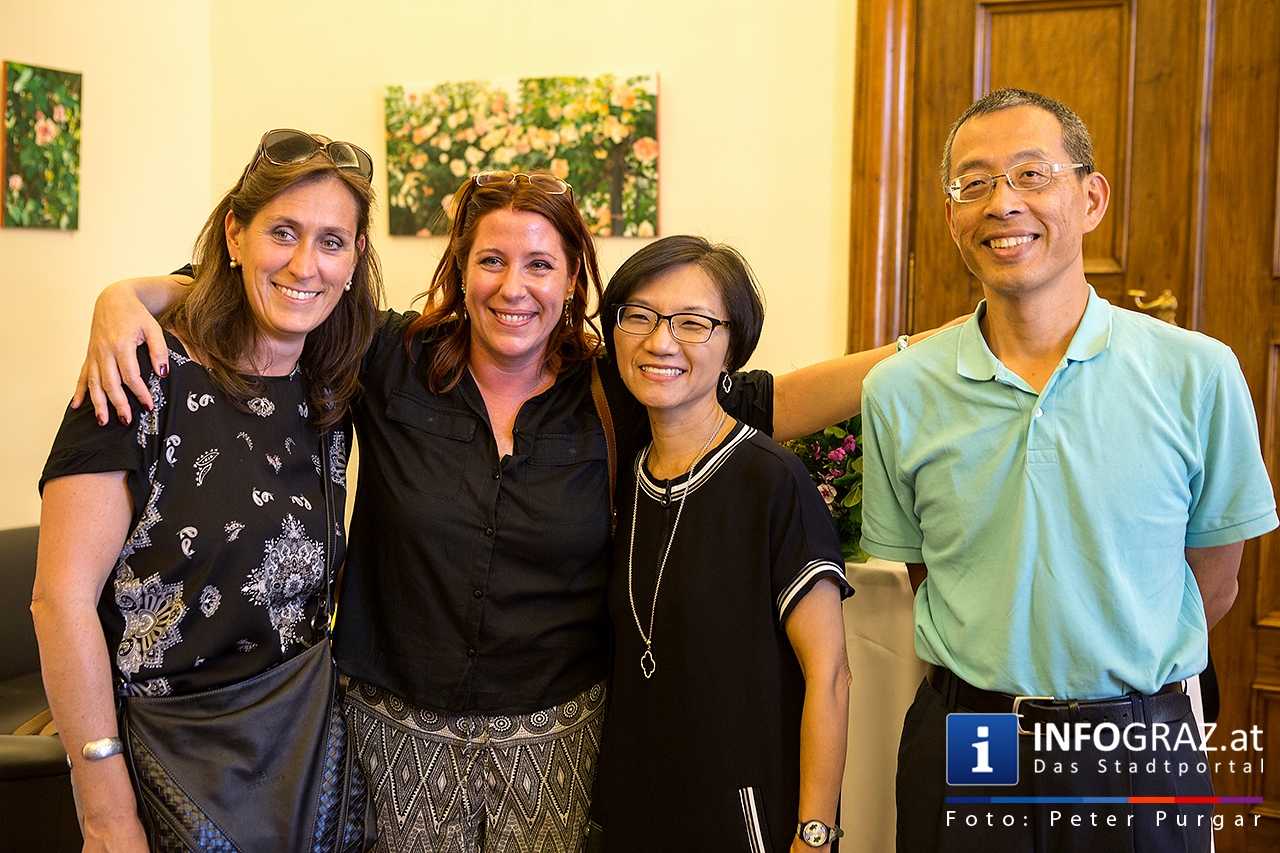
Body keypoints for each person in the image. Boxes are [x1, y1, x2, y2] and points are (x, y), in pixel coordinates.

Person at [73, 168, 954, 852]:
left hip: (556, 737)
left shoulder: (610, 381)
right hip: (390, 729)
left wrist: (936, 345)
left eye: (541, 263)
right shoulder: (389, 359)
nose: (513, 286)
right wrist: (128, 296)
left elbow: (767, 398)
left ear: (574, 279)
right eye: (490, 260)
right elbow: (286, 293)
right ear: (459, 267)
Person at [858, 88, 1278, 852]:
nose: (1001, 203)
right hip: (972, 735)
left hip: (1138, 739)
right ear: (952, 214)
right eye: (973, 183)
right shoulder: (899, 390)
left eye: (1031, 174)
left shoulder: (1198, 373)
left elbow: (1215, 579)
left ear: (1090, 198)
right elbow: (932, 576)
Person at [32, 129, 382, 851]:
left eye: (332, 241)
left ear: (354, 260)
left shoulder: (332, 379)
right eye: (282, 232)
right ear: (234, 232)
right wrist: (105, 814)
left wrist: (128, 288)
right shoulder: (141, 373)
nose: (304, 264)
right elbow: (59, 598)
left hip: (310, 756)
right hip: (174, 755)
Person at [592, 236, 852, 852]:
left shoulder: (770, 479)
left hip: (747, 816)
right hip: (637, 810)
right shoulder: (619, 471)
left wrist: (814, 834)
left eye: (694, 324)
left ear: (734, 343)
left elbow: (831, 674)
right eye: (640, 317)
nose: (661, 342)